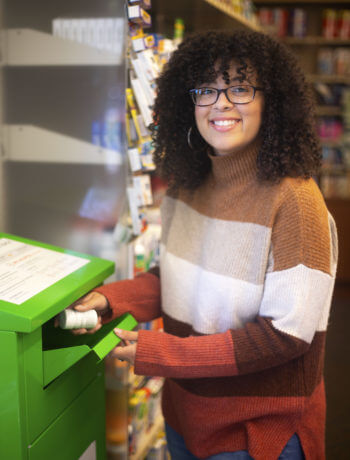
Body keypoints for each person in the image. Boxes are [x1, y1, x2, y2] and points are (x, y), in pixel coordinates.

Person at [72, 30, 338, 459]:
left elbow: (285, 336)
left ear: (272, 101)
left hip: (258, 435)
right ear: (187, 102)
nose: (221, 103)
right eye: (207, 89)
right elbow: (176, 277)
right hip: (184, 419)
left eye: (239, 87)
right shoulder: (188, 186)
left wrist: (165, 352)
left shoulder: (295, 200)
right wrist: (108, 300)